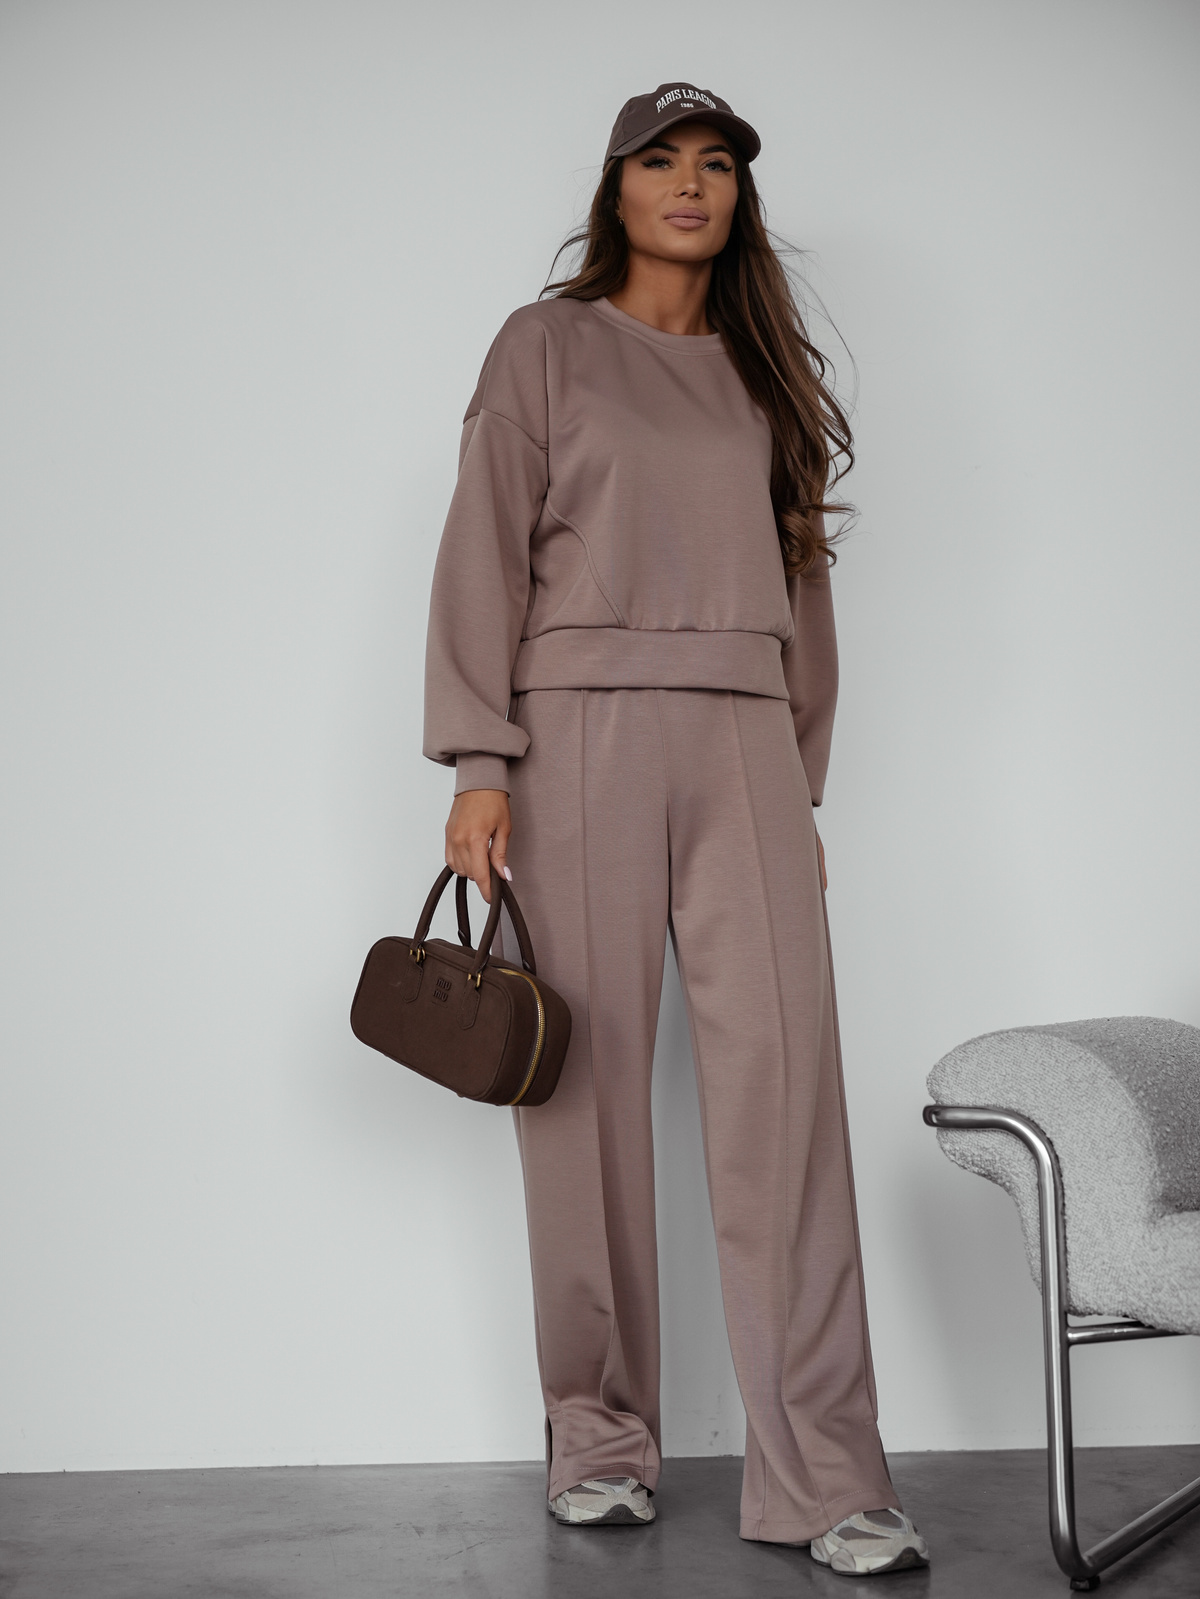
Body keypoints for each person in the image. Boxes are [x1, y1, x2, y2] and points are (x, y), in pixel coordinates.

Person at [421, 82, 930, 1579]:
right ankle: (597, 1441)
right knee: (576, 1090)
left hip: (745, 741)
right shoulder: (546, 346)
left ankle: (824, 1475)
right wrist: (479, 757)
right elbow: (481, 544)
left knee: (788, 1103)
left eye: (715, 165)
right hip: (572, 733)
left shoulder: (766, 374)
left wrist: (798, 780)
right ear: (619, 188)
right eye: (662, 161)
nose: (690, 184)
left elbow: (804, 586)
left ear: (738, 197)